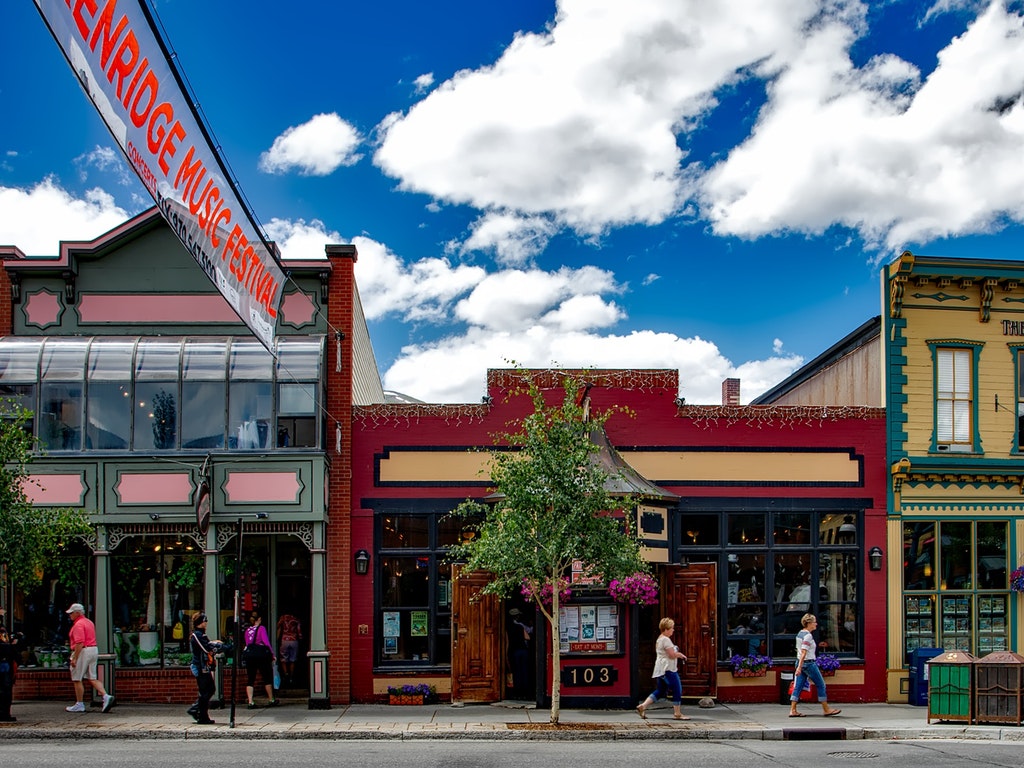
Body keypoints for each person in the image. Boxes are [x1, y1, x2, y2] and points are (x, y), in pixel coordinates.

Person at [635, 617, 690, 720]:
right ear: (666, 629)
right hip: (668, 669)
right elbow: (672, 655)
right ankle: (677, 713)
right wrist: (681, 655)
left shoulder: (659, 639)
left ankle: (643, 706)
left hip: (660, 670)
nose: (673, 630)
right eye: (671, 628)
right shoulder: (666, 640)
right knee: (677, 689)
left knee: (661, 691)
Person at [789, 613, 842, 718]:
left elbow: (801, 650)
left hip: (800, 661)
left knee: (798, 687)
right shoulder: (808, 636)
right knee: (821, 684)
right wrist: (799, 668)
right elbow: (804, 652)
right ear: (809, 623)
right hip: (808, 663)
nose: (816, 624)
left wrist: (799, 666)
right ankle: (826, 709)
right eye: (814, 622)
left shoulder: (800, 633)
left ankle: (793, 710)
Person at [64, 603, 114, 714]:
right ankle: (106, 696)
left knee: (77, 678)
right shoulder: (89, 622)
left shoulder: (78, 625)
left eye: (72, 613)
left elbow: (79, 642)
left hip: (83, 650)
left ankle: (79, 703)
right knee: (92, 677)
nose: (70, 615)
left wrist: (75, 658)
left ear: (77, 613)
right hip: (93, 649)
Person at [188, 612, 221, 724]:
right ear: (200, 623)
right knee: (207, 690)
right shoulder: (196, 635)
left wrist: (215, 644)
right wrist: (216, 646)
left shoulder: (201, 635)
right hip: (199, 666)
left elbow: (208, 644)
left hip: (204, 666)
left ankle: (199, 711)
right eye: (204, 621)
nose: (206, 623)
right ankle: (200, 714)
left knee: (209, 689)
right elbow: (206, 648)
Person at [243, 610, 278, 708]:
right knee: (266, 677)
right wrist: (272, 654)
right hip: (261, 655)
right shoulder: (261, 628)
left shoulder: (247, 631)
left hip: (250, 656)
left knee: (251, 678)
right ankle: (271, 699)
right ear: (259, 619)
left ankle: (250, 701)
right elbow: (266, 642)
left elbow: (247, 643)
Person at [0, 607, 24, 722]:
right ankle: (4, 713)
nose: (3, 611)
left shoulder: (3, 627)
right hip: (3, 661)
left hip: (5, 662)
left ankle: (5, 713)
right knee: (4, 689)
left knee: (6, 689)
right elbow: (4, 646)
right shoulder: (1, 629)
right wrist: (13, 650)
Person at [505, 607, 533, 699]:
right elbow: (528, 637)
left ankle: (516, 693)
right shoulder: (520, 626)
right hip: (523, 650)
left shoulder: (507, 627)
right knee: (524, 671)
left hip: (514, 651)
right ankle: (524, 692)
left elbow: (507, 642)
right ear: (517, 616)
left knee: (516, 672)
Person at [276, 613, 302, 687]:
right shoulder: (296, 619)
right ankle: (291, 676)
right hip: (294, 640)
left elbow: (278, 626)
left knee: (283, 659)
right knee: (293, 659)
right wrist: (300, 638)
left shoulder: (283, 617)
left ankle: (285, 674)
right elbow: (299, 631)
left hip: (284, 639)